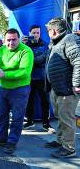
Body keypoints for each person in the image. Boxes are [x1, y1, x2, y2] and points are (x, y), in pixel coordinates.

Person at [0, 28, 34, 154]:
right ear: (4, 40)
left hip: (20, 90)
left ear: (19, 39)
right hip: (3, 89)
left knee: (17, 117)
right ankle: (1, 137)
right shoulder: (1, 49)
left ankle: (12, 142)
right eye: (8, 40)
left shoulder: (26, 51)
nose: (11, 43)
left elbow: (24, 72)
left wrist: (4, 73)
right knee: (0, 114)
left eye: (14, 40)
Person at [44, 18, 80, 158]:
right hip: (57, 88)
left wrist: (77, 84)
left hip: (67, 90)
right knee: (60, 116)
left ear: (54, 30)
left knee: (67, 119)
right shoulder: (56, 43)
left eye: (48, 30)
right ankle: (60, 141)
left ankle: (69, 148)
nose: (48, 33)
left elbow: (78, 61)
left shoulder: (69, 39)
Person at [22, 25, 53, 131]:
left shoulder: (46, 44)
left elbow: (44, 58)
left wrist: (30, 62)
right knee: (29, 100)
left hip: (41, 77)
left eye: (37, 33)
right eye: (33, 33)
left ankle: (46, 123)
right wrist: (22, 45)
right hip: (28, 78)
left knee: (45, 101)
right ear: (30, 33)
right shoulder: (25, 45)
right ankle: (29, 121)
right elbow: (21, 58)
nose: (35, 35)